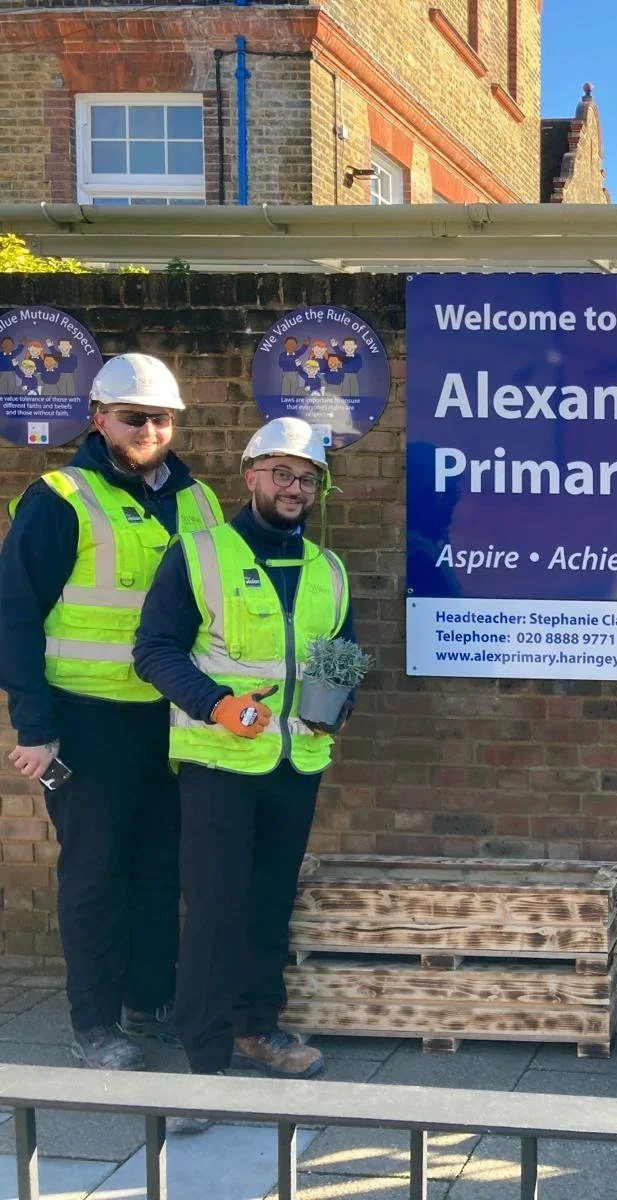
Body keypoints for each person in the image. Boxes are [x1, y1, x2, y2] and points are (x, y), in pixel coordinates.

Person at [0, 354, 223, 1073]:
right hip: (88, 722)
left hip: (172, 718)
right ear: (98, 417)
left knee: (161, 866)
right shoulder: (60, 497)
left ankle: (148, 1003)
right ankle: (92, 1023)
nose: (151, 429)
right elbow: (14, 614)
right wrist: (33, 725)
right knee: (95, 874)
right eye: (135, 417)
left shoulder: (199, 502)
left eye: (162, 418)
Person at [133, 416, 356, 1087]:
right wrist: (216, 704)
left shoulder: (330, 570)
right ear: (251, 475)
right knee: (214, 908)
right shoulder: (201, 554)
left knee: (268, 905)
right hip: (219, 765)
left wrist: (334, 712)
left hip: (296, 767)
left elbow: (340, 660)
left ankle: (258, 1030)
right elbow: (155, 651)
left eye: (307, 478)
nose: (294, 488)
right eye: (282, 473)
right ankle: (202, 1059)